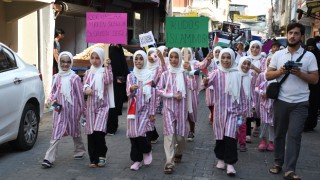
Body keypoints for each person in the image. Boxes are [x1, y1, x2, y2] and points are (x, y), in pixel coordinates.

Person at [266, 22, 318, 180]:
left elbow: (315, 79)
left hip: (300, 103)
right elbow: (268, 75)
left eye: (296, 33)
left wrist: (299, 73)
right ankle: (278, 162)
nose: (292, 36)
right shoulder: (278, 55)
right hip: (281, 101)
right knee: (279, 134)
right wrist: (281, 71)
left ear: (301, 37)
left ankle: (290, 169)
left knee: (294, 135)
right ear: (287, 35)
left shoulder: (309, 56)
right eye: (290, 33)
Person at [203, 48, 244, 176]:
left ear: (232, 58)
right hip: (219, 111)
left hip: (233, 111)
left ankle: (230, 163)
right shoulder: (216, 72)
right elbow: (207, 82)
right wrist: (205, 81)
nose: (226, 60)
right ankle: (221, 158)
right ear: (220, 59)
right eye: (223, 57)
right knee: (220, 136)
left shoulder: (238, 73)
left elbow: (242, 94)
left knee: (230, 136)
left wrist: (242, 113)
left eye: (228, 57)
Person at [42, 51, 86, 168]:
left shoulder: (75, 78)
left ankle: (80, 150)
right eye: (63, 62)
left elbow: (80, 96)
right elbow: (52, 93)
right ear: (59, 62)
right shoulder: (56, 77)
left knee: (75, 131)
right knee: (56, 133)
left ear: (71, 63)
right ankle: (49, 158)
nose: (65, 64)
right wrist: (51, 101)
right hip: (59, 111)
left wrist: (82, 110)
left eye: (68, 62)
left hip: (73, 110)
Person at [157, 48, 196, 174]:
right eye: (171, 57)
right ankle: (169, 162)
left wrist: (190, 71)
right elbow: (158, 90)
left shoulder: (184, 74)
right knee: (169, 135)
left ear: (180, 58)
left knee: (180, 137)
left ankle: (179, 152)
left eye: (176, 57)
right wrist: (172, 95)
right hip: (168, 109)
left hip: (181, 110)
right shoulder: (165, 75)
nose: (173, 60)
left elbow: (194, 87)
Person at [83, 47, 114, 168]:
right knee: (91, 133)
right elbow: (84, 84)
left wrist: (107, 66)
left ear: (101, 59)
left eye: (97, 58)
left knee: (98, 132)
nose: (95, 61)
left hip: (102, 106)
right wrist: (86, 89)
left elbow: (109, 80)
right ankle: (93, 158)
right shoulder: (88, 72)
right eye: (92, 58)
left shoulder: (104, 71)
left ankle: (102, 155)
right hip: (90, 107)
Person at [126, 50, 155, 171]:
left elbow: (153, 93)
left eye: (141, 58)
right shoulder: (131, 76)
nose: (138, 61)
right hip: (133, 111)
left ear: (145, 60)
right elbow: (127, 92)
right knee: (133, 135)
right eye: (136, 59)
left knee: (141, 134)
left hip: (145, 109)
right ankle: (136, 160)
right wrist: (131, 89)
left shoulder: (150, 75)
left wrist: (152, 112)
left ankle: (147, 150)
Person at [106, 44, 130, 135]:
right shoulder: (111, 49)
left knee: (114, 105)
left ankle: (112, 127)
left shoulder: (117, 50)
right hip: (110, 82)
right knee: (110, 105)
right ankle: (110, 126)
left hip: (117, 83)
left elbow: (121, 68)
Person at [246, 40, 265, 143]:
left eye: (257, 47)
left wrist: (254, 67)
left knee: (257, 109)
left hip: (259, 89)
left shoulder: (263, 60)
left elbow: (265, 73)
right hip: (247, 88)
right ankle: (247, 134)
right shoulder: (246, 59)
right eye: (252, 47)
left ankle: (257, 125)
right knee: (248, 109)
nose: (254, 49)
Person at [255, 57, 275, 152]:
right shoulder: (262, 75)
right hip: (264, 103)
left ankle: (272, 141)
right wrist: (262, 92)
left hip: (275, 103)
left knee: (273, 123)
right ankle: (263, 140)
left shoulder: (279, 75)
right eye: (269, 61)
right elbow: (256, 87)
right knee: (264, 122)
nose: (271, 63)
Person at [303, 38, 320, 132]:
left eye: (312, 48)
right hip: (305, 84)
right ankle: (304, 124)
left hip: (316, 86)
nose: (310, 49)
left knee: (313, 105)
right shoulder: (305, 56)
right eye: (308, 48)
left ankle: (311, 123)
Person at [237, 56, 253, 152]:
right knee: (234, 125)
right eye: (244, 63)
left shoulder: (249, 77)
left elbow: (250, 92)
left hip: (243, 108)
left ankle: (242, 143)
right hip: (234, 106)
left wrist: (252, 105)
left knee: (241, 125)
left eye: (248, 64)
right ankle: (233, 140)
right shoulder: (235, 75)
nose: (246, 66)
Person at [206, 46, 222, 124]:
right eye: (216, 52)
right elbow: (205, 67)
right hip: (209, 84)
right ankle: (212, 112)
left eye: (219, 52)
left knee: (215, 102)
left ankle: (213, 117)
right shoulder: (211, 61)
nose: (217, 53)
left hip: (218, 85)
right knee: (209, 102)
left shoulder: (223, 61)